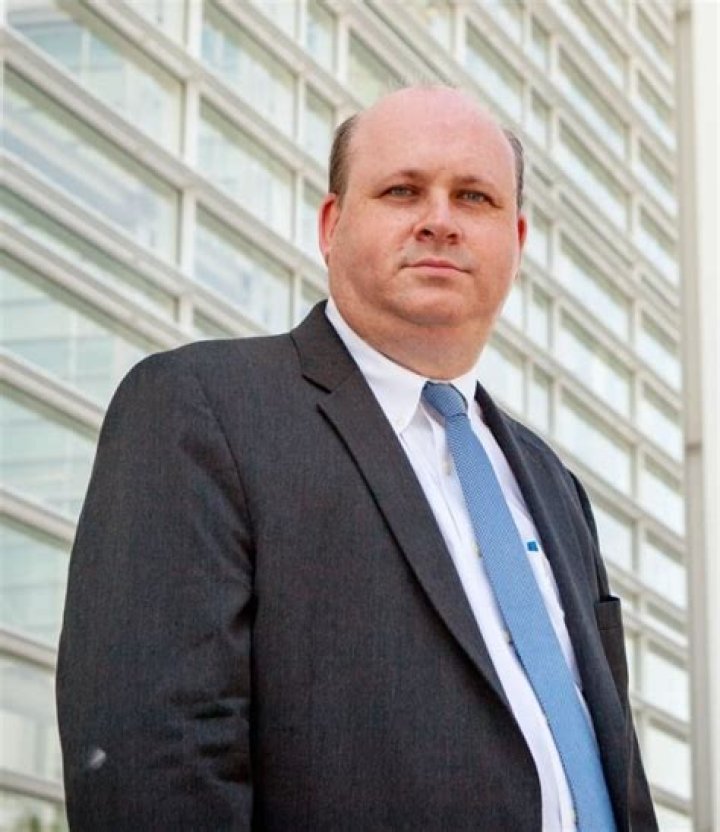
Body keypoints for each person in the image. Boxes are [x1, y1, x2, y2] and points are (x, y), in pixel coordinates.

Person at [57, 86, 657, 831]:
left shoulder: (553, 486)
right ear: (331, 225)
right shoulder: (202, 408)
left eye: (474, 197)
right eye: (403, 191)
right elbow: (155, 762)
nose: (439, 220)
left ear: (517, 239)